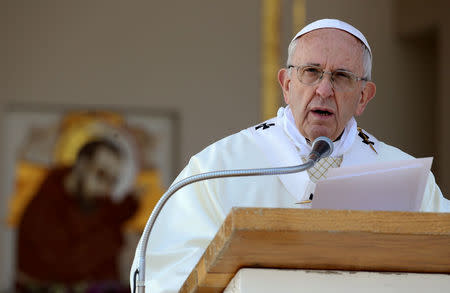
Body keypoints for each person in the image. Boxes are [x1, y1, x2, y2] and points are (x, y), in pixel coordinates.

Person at [130, 19, 450, 292]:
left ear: (364, 96)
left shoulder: (404, 175)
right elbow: (168, 272)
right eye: (311, 72)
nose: (324, 90)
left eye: (341, 77)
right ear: (286, 84)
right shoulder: (218, 169)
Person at [17, 139, 138, 292]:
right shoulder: (43, 209)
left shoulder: (88, 199)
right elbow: (67, 267)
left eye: (112, 181)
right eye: (101, 174)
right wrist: (116, 238)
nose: (105, 188)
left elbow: (111, 212)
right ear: (81, 164)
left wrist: (132, 203)